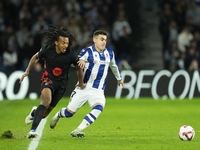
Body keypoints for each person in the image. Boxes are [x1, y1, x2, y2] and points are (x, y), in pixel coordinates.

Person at [50, 30, 125, 138]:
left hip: (98, 90)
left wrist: (119, 78)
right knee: (69, 113)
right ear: (94, 40)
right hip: (83, 88)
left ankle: (78, 129)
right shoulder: (87, 52)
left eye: (105, 40)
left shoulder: (110, 53)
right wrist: (80, 62)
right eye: (101, 39)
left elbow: (113, 66)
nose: (104, 42)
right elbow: (74, 63)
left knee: (98, 108)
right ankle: (58, 115)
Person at [19, 25, 86, 138]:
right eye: (63, 43)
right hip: (48, 78)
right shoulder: (47, 49)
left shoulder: (71, 54)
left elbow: (79, 67)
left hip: (61, 84)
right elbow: (36, 57)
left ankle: (34, 113)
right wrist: (27, 71)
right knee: (45, 101)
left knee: (44, 114)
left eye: (67, 43)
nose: (65, 45)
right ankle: (32, 131)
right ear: (56, 42)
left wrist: (80, 82)